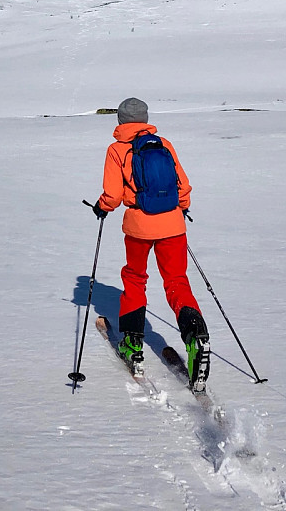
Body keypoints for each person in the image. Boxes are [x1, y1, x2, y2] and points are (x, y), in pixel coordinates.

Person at [92, 97, 210, 390]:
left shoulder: (117, 150)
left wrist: (101, 207)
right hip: (173, 225)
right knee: (177, 281)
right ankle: (196, 338)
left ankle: (132, 346)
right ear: (145, 119)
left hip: (139, 226)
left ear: (120, 120)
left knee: (134, 280)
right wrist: (181, 207)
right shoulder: (164, 144)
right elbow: (183, 185)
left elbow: (113, 195)